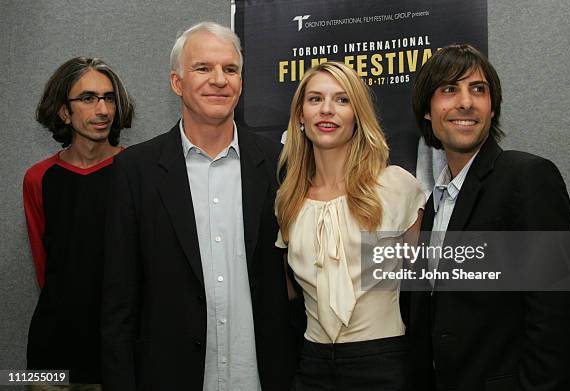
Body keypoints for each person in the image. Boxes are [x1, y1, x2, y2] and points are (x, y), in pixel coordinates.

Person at [100, 22, 300, 391]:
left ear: (241, 82)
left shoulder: (280, 163)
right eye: (203, 68)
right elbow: (119, 303)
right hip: (170, 376)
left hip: (262, 377)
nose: (219, 80)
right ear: (177, 82)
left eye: (230, 69)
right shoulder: (135, 171)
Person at [407, 43, 570, 390]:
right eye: (449, 89)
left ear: (492, 108)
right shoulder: (434, 202)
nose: (466, 102)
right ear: (428, 109)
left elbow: (553, 321)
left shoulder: (528, 178)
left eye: (478, 89)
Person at [275, 61, 425, 390]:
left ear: (357, 115)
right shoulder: (288, 202)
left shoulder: (396, 187)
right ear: (300, 115)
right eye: (315, 99)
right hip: (311, 365)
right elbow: (286, 293)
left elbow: (422, 286)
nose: (327, 110)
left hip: (382, 362)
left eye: (342, 100)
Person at [23, 56, 134, 387]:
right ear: (63, 111)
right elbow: (46, 268)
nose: (102, 110)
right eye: (88, 98)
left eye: (109, 98)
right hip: (52, 355)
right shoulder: (38, 178)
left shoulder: (137, 171)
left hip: (118, 356)